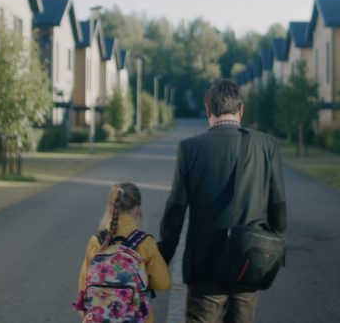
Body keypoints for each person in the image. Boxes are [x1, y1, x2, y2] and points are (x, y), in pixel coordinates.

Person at [157, 80, 287, 323]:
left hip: (206, 267)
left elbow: (176, 209)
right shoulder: (267, 145)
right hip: (250, 260)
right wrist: (277, 251)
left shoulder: (190, 148)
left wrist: (162, 257)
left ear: (208, 110)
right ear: (241, 110)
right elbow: (277, 204)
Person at [76, 182, 172, 323]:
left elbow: (84, 288)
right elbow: (163, 283)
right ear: (138, 209)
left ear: (110, 210)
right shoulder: (145, 242)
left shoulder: (97, 242)